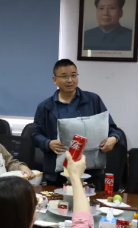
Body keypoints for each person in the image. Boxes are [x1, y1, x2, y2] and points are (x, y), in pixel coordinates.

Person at [32, 59, 121, 187]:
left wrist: (114, 138)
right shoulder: (46, 107)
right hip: (57, 173)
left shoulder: (93, 100)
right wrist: (48, 143)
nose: (70, 80)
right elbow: (35, 134)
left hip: (90, 171)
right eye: (64, 76)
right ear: (54, 79)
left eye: (73, 75)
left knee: (89, 200)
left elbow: (112, 128)